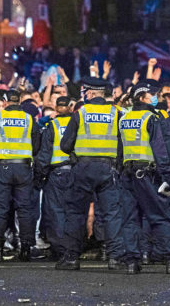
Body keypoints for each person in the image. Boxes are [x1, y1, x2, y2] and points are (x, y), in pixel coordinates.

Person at [118, 81, 170, 274]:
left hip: (128, 174)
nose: (156, 97)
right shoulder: (151, 118)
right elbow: (160, 151)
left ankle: (132, 261)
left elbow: (120, 150)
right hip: (148, 175)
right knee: (162, 215)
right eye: (152, 94)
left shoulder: (125, 118)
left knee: (130, 219)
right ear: (142, 97)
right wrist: (168, 177)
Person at [56, 77, 125, 271]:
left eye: (86, 92)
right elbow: (122, 145)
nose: (84, 95)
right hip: (108, 169)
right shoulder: (116, 113)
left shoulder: (81, 113)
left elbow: (65, 145)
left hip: (83, 168)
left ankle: (71, 258)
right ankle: (115, 258)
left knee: (76, 212)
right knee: (111, 213)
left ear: (93, 93)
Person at [0, 90, 41, 262]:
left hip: (2, 168)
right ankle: (25, 248)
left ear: (6, 102)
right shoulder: (29, 119)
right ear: (20, 101)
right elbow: (36, 145)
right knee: (25, 210)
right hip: (23, 167)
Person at [34, 96, 73, 261]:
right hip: (75, 172)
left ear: (57, 108)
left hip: (56, 173)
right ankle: (73, 247)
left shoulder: (53, 126)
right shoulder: (78, 124)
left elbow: (45, 154)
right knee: (73, 211)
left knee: (56, 212)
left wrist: (39, 176)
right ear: (70, 107)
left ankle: (60, 249)